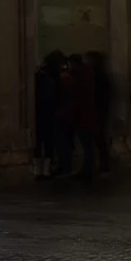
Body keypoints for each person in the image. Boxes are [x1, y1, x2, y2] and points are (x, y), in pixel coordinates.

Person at [65, 51, 101, 181]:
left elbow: (75, 99)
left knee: (86, 145)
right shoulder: (89, 75)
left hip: (82, 117)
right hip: (89, 116)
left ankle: (87, 170)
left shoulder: (76, 77)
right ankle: (88, 169)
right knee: (89, 145)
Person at [34, 52, 64, 176]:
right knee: (48, 143)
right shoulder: (54, 78)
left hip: (40, 112)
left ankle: (38, 170)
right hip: (50, 113)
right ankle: (46, 170)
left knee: (38, 142)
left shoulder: (40, 77)